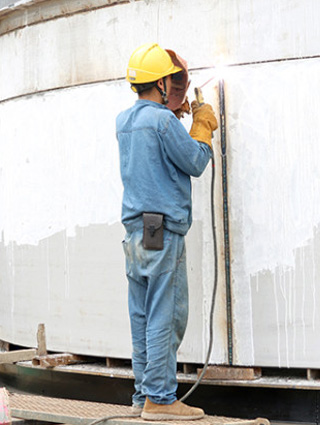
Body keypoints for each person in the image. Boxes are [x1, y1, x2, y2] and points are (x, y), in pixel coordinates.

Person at [116, 43, 218, 420]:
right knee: (165, 316)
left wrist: (177, 115)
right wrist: (202, 124)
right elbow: (194, 160)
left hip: (135, 232)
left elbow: (155, 147)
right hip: (163, 231)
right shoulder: (161, 123)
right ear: (161, 82)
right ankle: (161, 400)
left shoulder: (125, 121)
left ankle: (143, 396)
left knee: (142, 315)